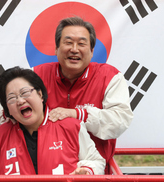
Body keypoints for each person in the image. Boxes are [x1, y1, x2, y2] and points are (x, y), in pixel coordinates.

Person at [33, 17, 134, 174]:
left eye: (81, 44)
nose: (74, 49)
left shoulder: (110, 77)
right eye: (68, 42)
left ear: (92, 51)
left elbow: (120, 121)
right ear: (56, 49)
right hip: (44, 173)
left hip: (94, 172)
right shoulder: (36, 75)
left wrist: (78, 114)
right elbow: (2, 111)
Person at [0, 66, 105, 175]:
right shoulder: (0, 135)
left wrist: (86, 171)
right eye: (12, 98)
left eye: (25, 93)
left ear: (40, 94)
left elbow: (96, 161)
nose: (20, 101)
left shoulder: (71, 127)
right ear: (7, 109)